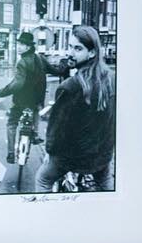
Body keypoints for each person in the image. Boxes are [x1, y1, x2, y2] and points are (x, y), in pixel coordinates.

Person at [34, 25, 115, 193]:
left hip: (73, 158)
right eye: (70, 46)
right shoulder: (111, 79)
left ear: (92, 53)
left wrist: (49, 152)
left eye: (78, 49)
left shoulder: (70, 87)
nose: (70, 53)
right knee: (106, 182)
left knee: (42, 180)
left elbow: (57, 129)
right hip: (102, 155)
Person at [0, 29, 46, 156]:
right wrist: (68, 67)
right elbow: (55, 70)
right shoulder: (39, 58)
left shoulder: (22, 62)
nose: (19, 47)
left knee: (11, 124)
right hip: (37, 100)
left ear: (28, 47)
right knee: (36, 111)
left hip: (21, 100)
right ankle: (35, 134)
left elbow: (17, 84)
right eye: (19, 44)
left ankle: (11, 153)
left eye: (22, 44)